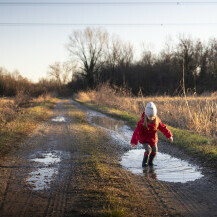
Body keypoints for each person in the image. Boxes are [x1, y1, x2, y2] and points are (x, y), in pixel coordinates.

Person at [131, 102, 173, 167]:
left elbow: (163, 128)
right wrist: (134, 142)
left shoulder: (157, 121)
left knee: (155, 150)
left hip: (153, 139)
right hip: (144, 139)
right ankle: (144, 163)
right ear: (146, 115)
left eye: (153, 116)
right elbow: (137, 132)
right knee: (148, 150)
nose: (152, 118)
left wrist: (169, 135)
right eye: (150, 116)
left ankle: (150, 162)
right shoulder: (142, 122)